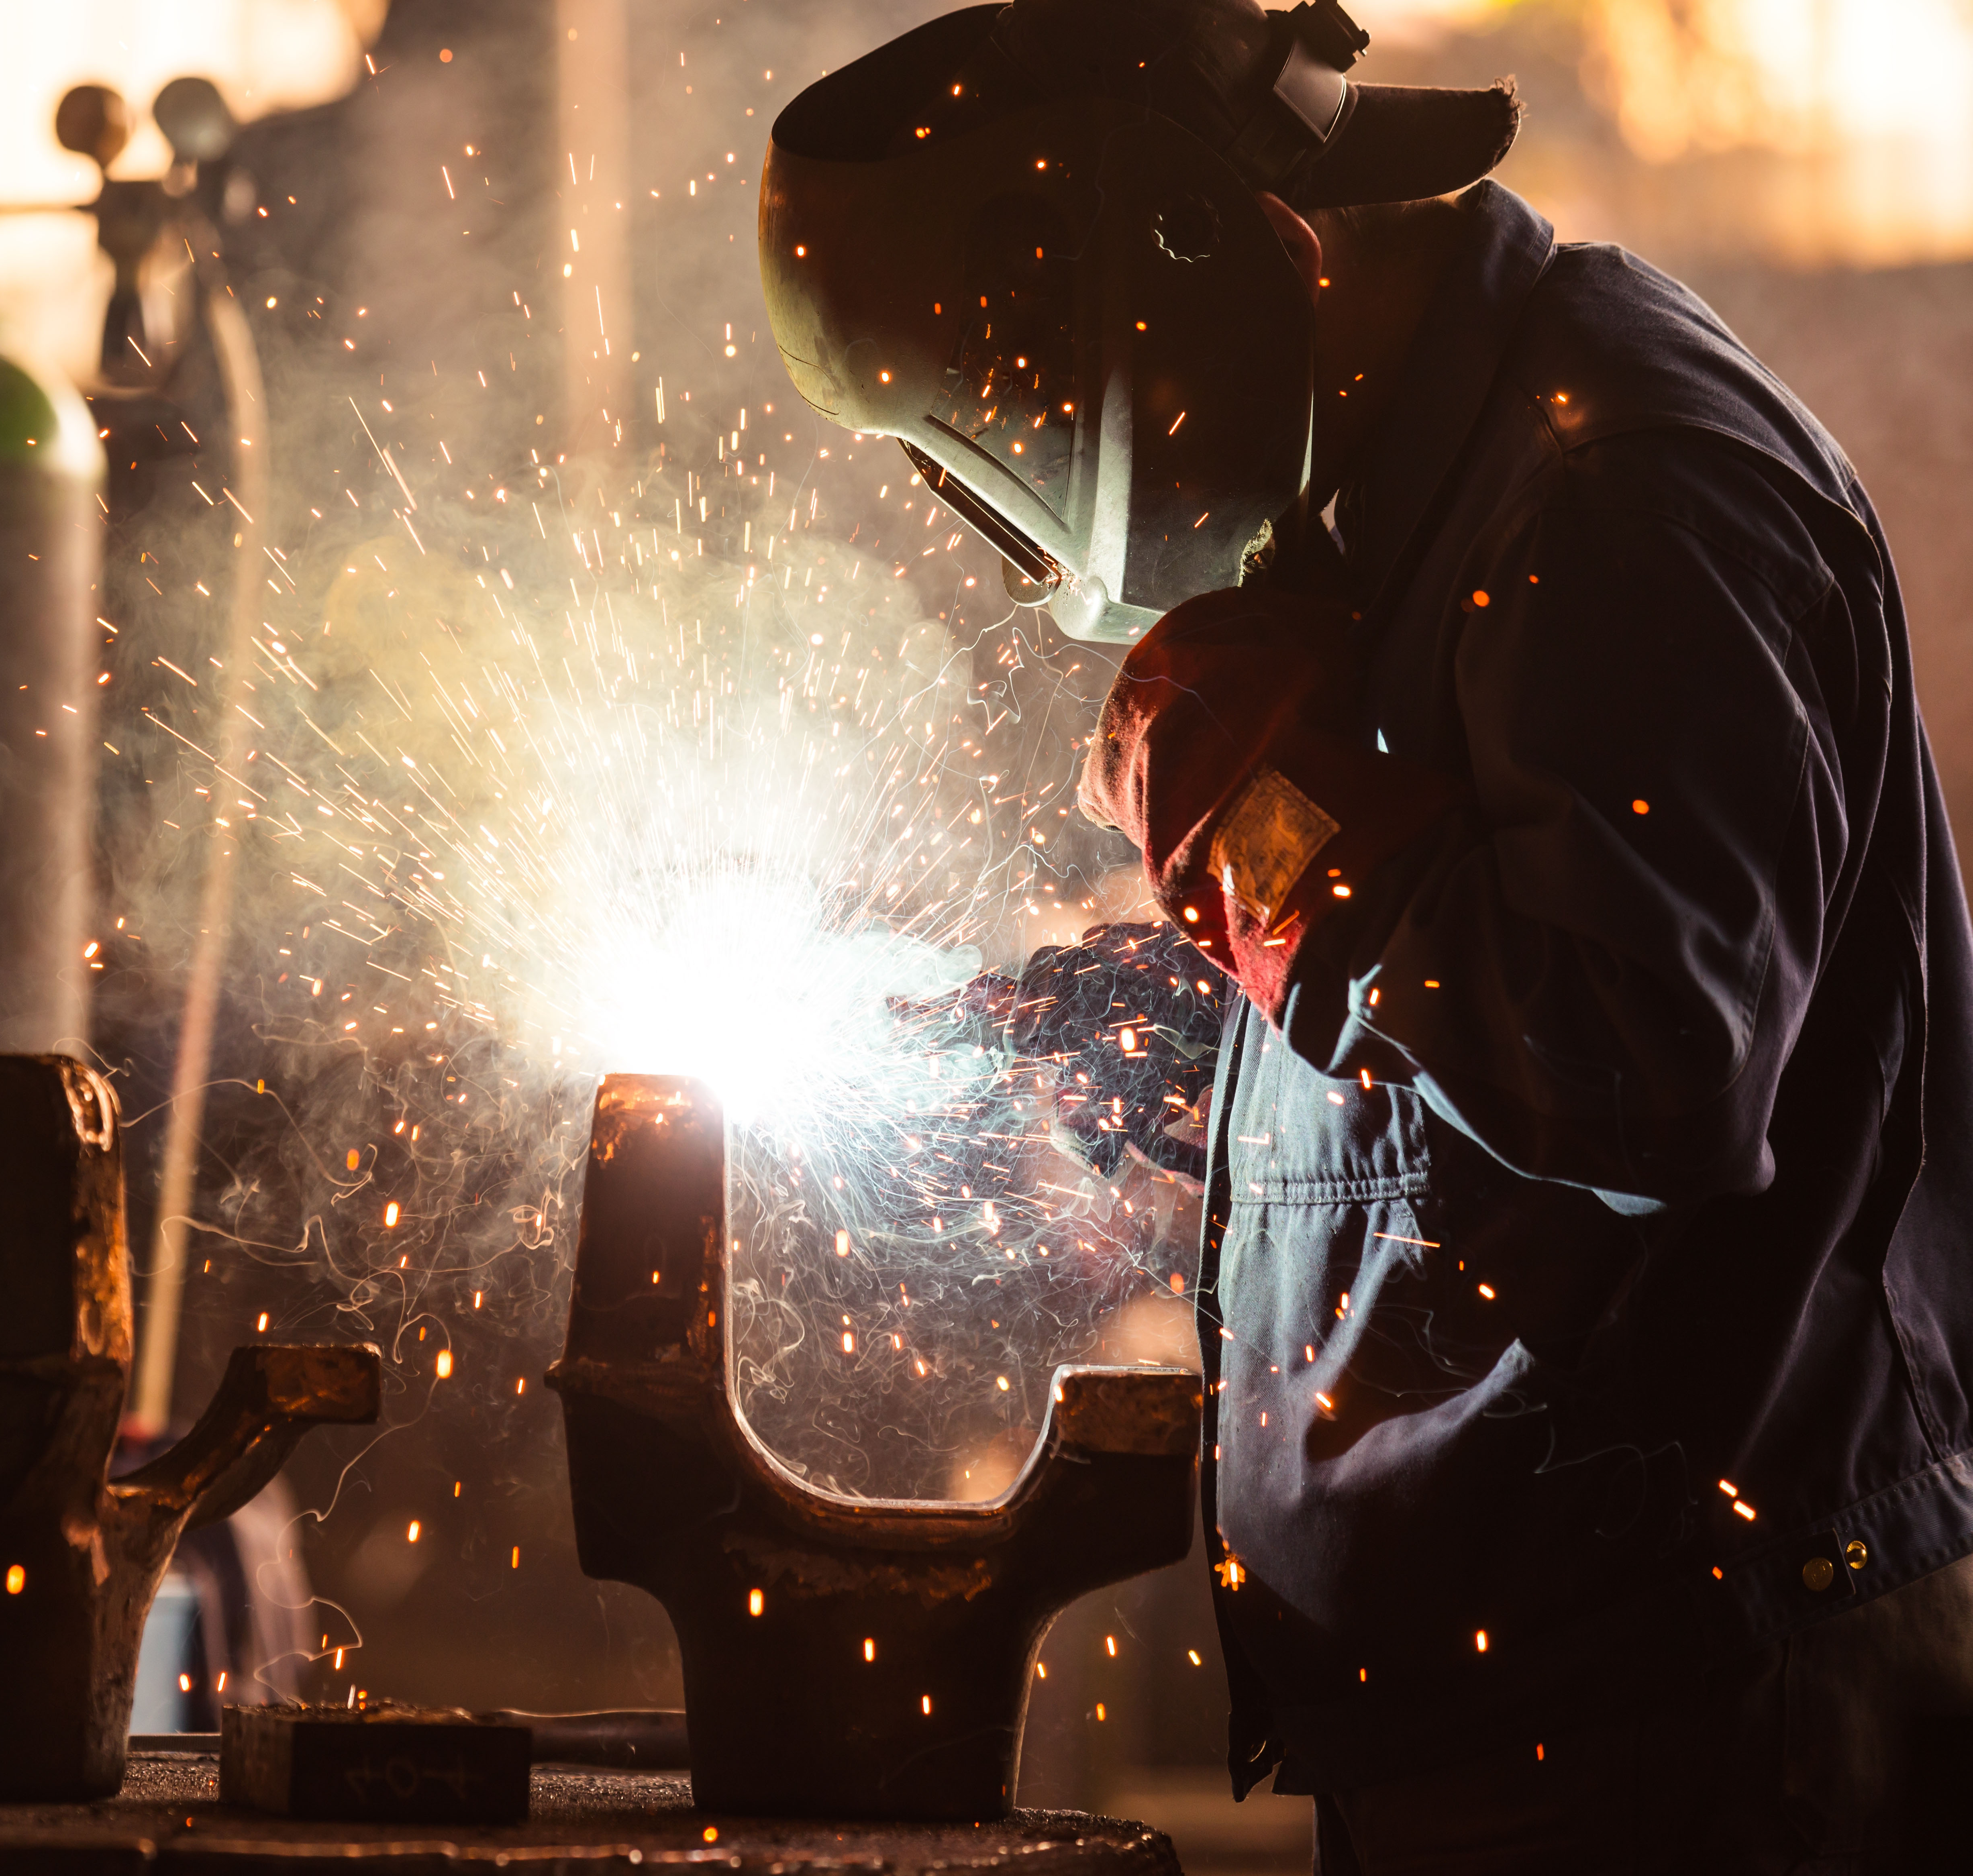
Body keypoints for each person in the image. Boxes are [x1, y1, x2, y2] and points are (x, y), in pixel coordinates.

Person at [761, 1, 1973, 1867]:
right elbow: (1459, 975)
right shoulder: (1411, 469)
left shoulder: (1610, 490)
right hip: (1528, 1688)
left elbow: (1637, 1069)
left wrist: (1261, 832)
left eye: (1001, 399)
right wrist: (1186, 1025)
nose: (1004, 473)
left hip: (1686, 1718)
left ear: (1181, 267)